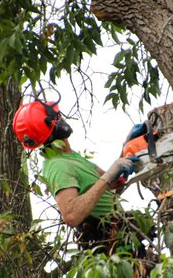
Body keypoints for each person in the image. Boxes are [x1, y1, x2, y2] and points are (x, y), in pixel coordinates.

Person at [12, 100, 143, 253]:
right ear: (52, 124)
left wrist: (127, 149)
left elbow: (113, 184)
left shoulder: (70, 156)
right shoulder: (58, 165)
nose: (62, 119)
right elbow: (72, 215)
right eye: (58, 116)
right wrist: (109, 176)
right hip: (108, 251)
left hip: (124, 240)